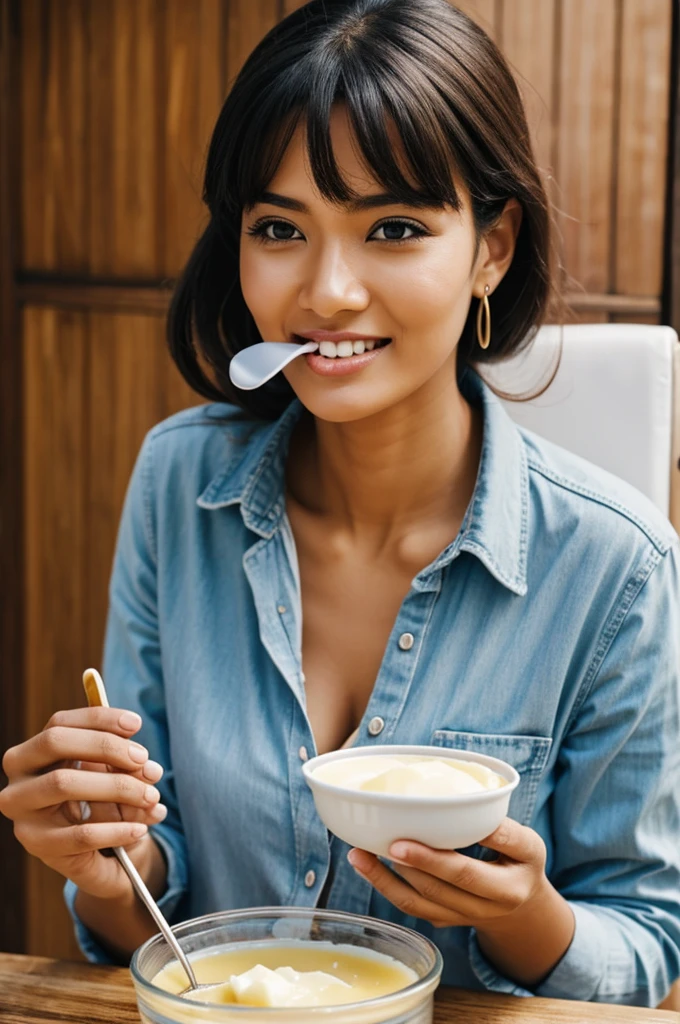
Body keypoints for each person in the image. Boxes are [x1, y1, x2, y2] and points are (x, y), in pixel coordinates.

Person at [1, 0, 679, 1006]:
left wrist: (520, 913)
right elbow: (152, 879)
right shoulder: (177, 486)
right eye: (279, 228)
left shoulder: (616, 567)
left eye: (393, 228)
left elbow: (644, 943)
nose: (327, 291)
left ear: (490, 247)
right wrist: (111, 869)